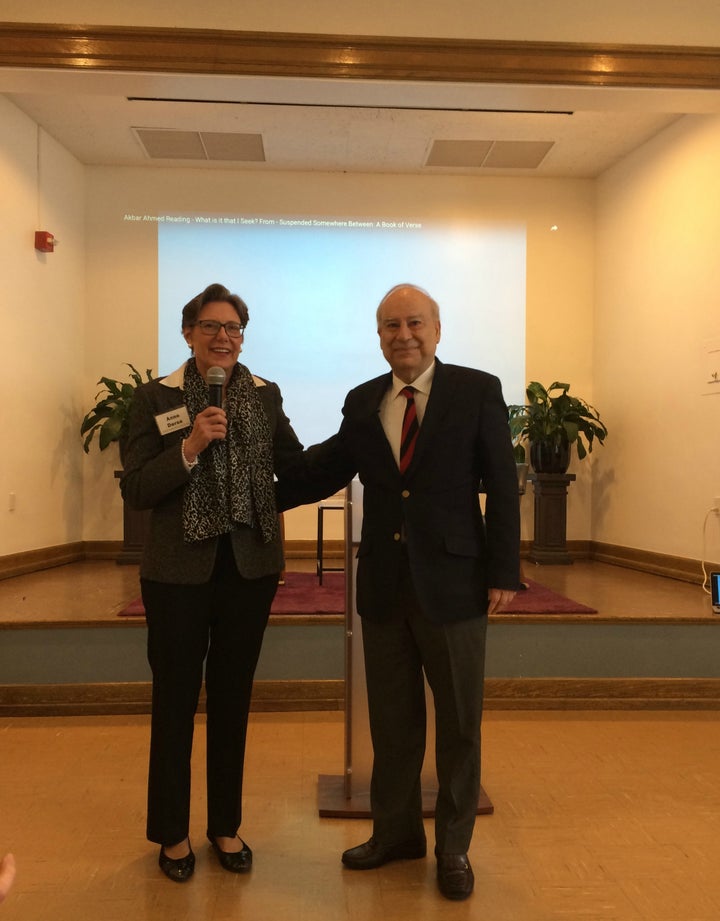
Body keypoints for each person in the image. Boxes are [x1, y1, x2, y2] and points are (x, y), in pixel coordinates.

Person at [283, 283, 520, 901]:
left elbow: (501, 481)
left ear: (437, 329)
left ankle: (454, 848)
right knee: (392, 723)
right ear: (379, 336)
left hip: (457, 586)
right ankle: (395, 835)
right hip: (384, 585)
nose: (402, 335)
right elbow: (322, 468)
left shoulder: (476, 390)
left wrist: (503, 571)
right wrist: (252, 475)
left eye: (414, 323)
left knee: (460, 725)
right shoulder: (364, 401)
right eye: (390, 326)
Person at [120, 282, 306, 883]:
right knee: (175, 702)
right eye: (210, 327)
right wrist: (193, 445)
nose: (222, 337)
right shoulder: (156, 398)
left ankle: (225, 825)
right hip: (177, 573)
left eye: (233, 328)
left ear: (242, 336)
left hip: (248, 570)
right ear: (188, 333)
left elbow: (295, 466)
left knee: (233, 701)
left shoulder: (264, 394)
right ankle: (172, 833)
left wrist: (359, 445)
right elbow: (137, 489)